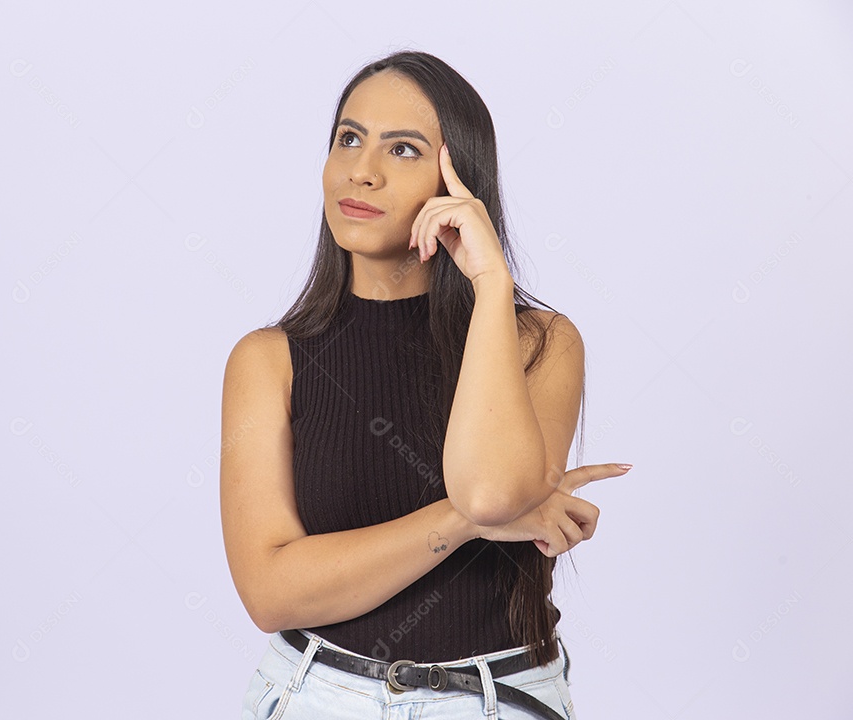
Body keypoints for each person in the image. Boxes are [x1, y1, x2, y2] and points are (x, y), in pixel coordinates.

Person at [220, 50, 633, 720]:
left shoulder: (541, 343)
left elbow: (494, 490)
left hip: (495, 698)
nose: (362, 169)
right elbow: (271, 591)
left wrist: (491, 283)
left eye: (403, 149)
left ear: (458, 182)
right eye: (348, 139)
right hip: (319, 696)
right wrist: (467, 522)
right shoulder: (268, 360)